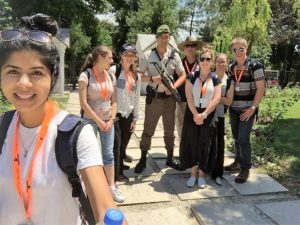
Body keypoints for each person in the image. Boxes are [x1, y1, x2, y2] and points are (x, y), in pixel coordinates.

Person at [0, 13, 126, 224]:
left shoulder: (75, 134)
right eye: (12, 71)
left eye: (37, 73)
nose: (23, 83)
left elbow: (104, 207)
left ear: (53, 77)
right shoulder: (2, 126)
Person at [134, 24, 186, 173]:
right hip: (154, 99)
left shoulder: (174, 55)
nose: (165, 38)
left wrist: (173, 87)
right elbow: (138, 75)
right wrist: (152, 78)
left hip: (169, 100)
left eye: (167, 36)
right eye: (162, 36)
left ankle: (169, 158)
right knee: (148, 129)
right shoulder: (147, 55)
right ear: (157, 38)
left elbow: (182, 75)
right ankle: (143, 158)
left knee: (169, 131)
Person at [78, 46, 124, 202]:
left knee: (108, 154)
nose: (112, 61)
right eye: (110, 58)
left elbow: (115, 101)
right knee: (90, 155)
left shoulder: (111, 76)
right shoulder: (85, 76)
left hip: (108, 121)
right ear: (100, 57)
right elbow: (84, 104)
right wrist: (98, 121)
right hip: (90, 120)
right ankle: (89, 188)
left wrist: (111, 120)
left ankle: (111, 187)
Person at [224, 37, 265, 183]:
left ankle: (245, 169)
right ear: (232, 51)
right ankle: (237, 162)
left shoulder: (255, 66)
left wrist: (253, 108)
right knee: (236, 138)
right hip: (234, 109)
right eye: (235, 49)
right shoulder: (231, 67)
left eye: (241, 49)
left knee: (243, 139)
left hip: (248, 110)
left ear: (246, 49)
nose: (238, 52)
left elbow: (261, 88)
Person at [179, 46, 221, 188]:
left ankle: (202, 175)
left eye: (208, 59)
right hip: (192, 113)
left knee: (205, 144)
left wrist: (204, 114)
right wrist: (195, 114)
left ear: (212, 61)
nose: (205, 61)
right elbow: (188, 96)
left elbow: (216, 99)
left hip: (208, 114)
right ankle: (193, 174)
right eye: (202, 59)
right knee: (192, 143)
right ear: (199, 60)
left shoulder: (216, 78)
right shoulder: (192, 76)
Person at [109, 43, 141, 182]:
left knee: (124, 144)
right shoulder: (113, 71)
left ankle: (120, 165)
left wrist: (135, 118)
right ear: (121, 56)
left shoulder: (136, 75)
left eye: (132, 55)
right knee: (116, 144)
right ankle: (117, 174)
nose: (129, 58)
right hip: (116, 114)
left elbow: (137, 96)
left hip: (128, 114)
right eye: (126, 55)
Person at [209, 53, 231, 186]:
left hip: (220, 116)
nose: (221, 64)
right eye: (218, 61)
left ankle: (218, 173)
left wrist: (216, 97)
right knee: (206, 143)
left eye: (223, 61)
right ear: (214, 63)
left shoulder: (229, 80)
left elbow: (229, 101)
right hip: (207, 114)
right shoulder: (209, 76)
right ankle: (204, 169)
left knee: (219, 145)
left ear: (227, 63)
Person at [176, 36, 201, 141]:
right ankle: (183, 152)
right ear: (184, 48)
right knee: (181, 126)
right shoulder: (178, 64)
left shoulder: (202, 63)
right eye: (188, 45)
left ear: (196, 48)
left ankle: (194, 153)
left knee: (195, 127)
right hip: (182, 100)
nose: (190, 48)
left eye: (193, 45)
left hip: (198, 101)